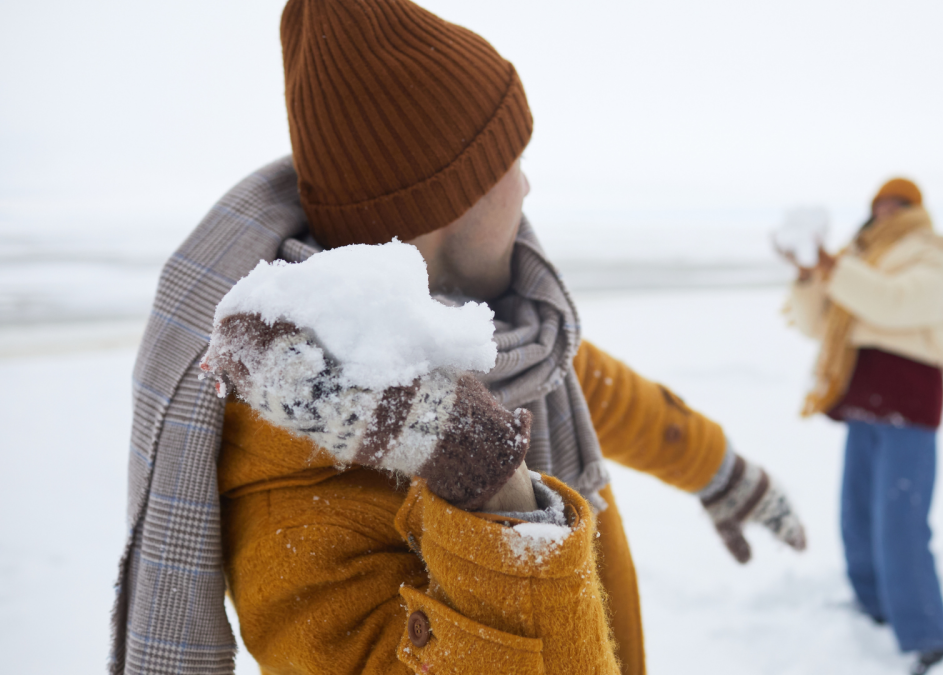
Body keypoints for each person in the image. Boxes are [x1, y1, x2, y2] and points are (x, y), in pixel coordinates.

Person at [109, 1, 807, 674]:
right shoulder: (295, 493)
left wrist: (724, 474)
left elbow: (616, 398)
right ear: (449, 197)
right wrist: (495, 495)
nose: (526, 187)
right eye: (510, 162)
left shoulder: (514, 347)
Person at [779, 178, 943, 674]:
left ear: (915, 209)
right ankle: (872, 606)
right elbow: (818, 325)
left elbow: (896, 303)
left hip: (910, 404)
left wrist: (833, 268)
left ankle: (926, 638)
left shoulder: (934, 255)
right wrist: (808, 275)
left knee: (901, 523)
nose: (885, 211)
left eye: (897, 203)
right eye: (879, 203)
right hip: (863, 402)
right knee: (857, 517)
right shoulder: (857, 256)